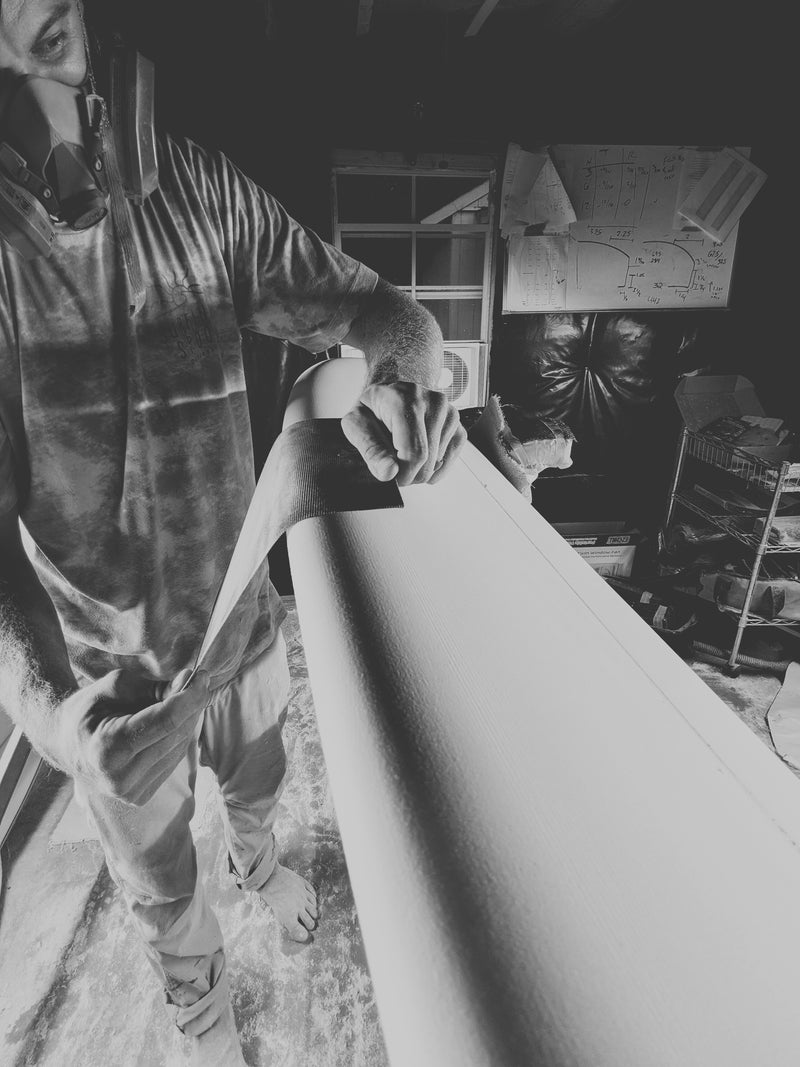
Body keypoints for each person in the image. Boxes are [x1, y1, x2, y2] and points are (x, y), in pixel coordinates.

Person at [0, 0, 466, 1061]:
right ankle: (204, 1019)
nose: (36, 107)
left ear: (93, 33)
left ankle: (259, 864)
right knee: (159, 887)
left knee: (260, 784)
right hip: (113, 694)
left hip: (242, 626)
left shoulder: (199, 193)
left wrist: (404, 375)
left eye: (49, 43)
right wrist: (57, 721)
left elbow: (383, 312)